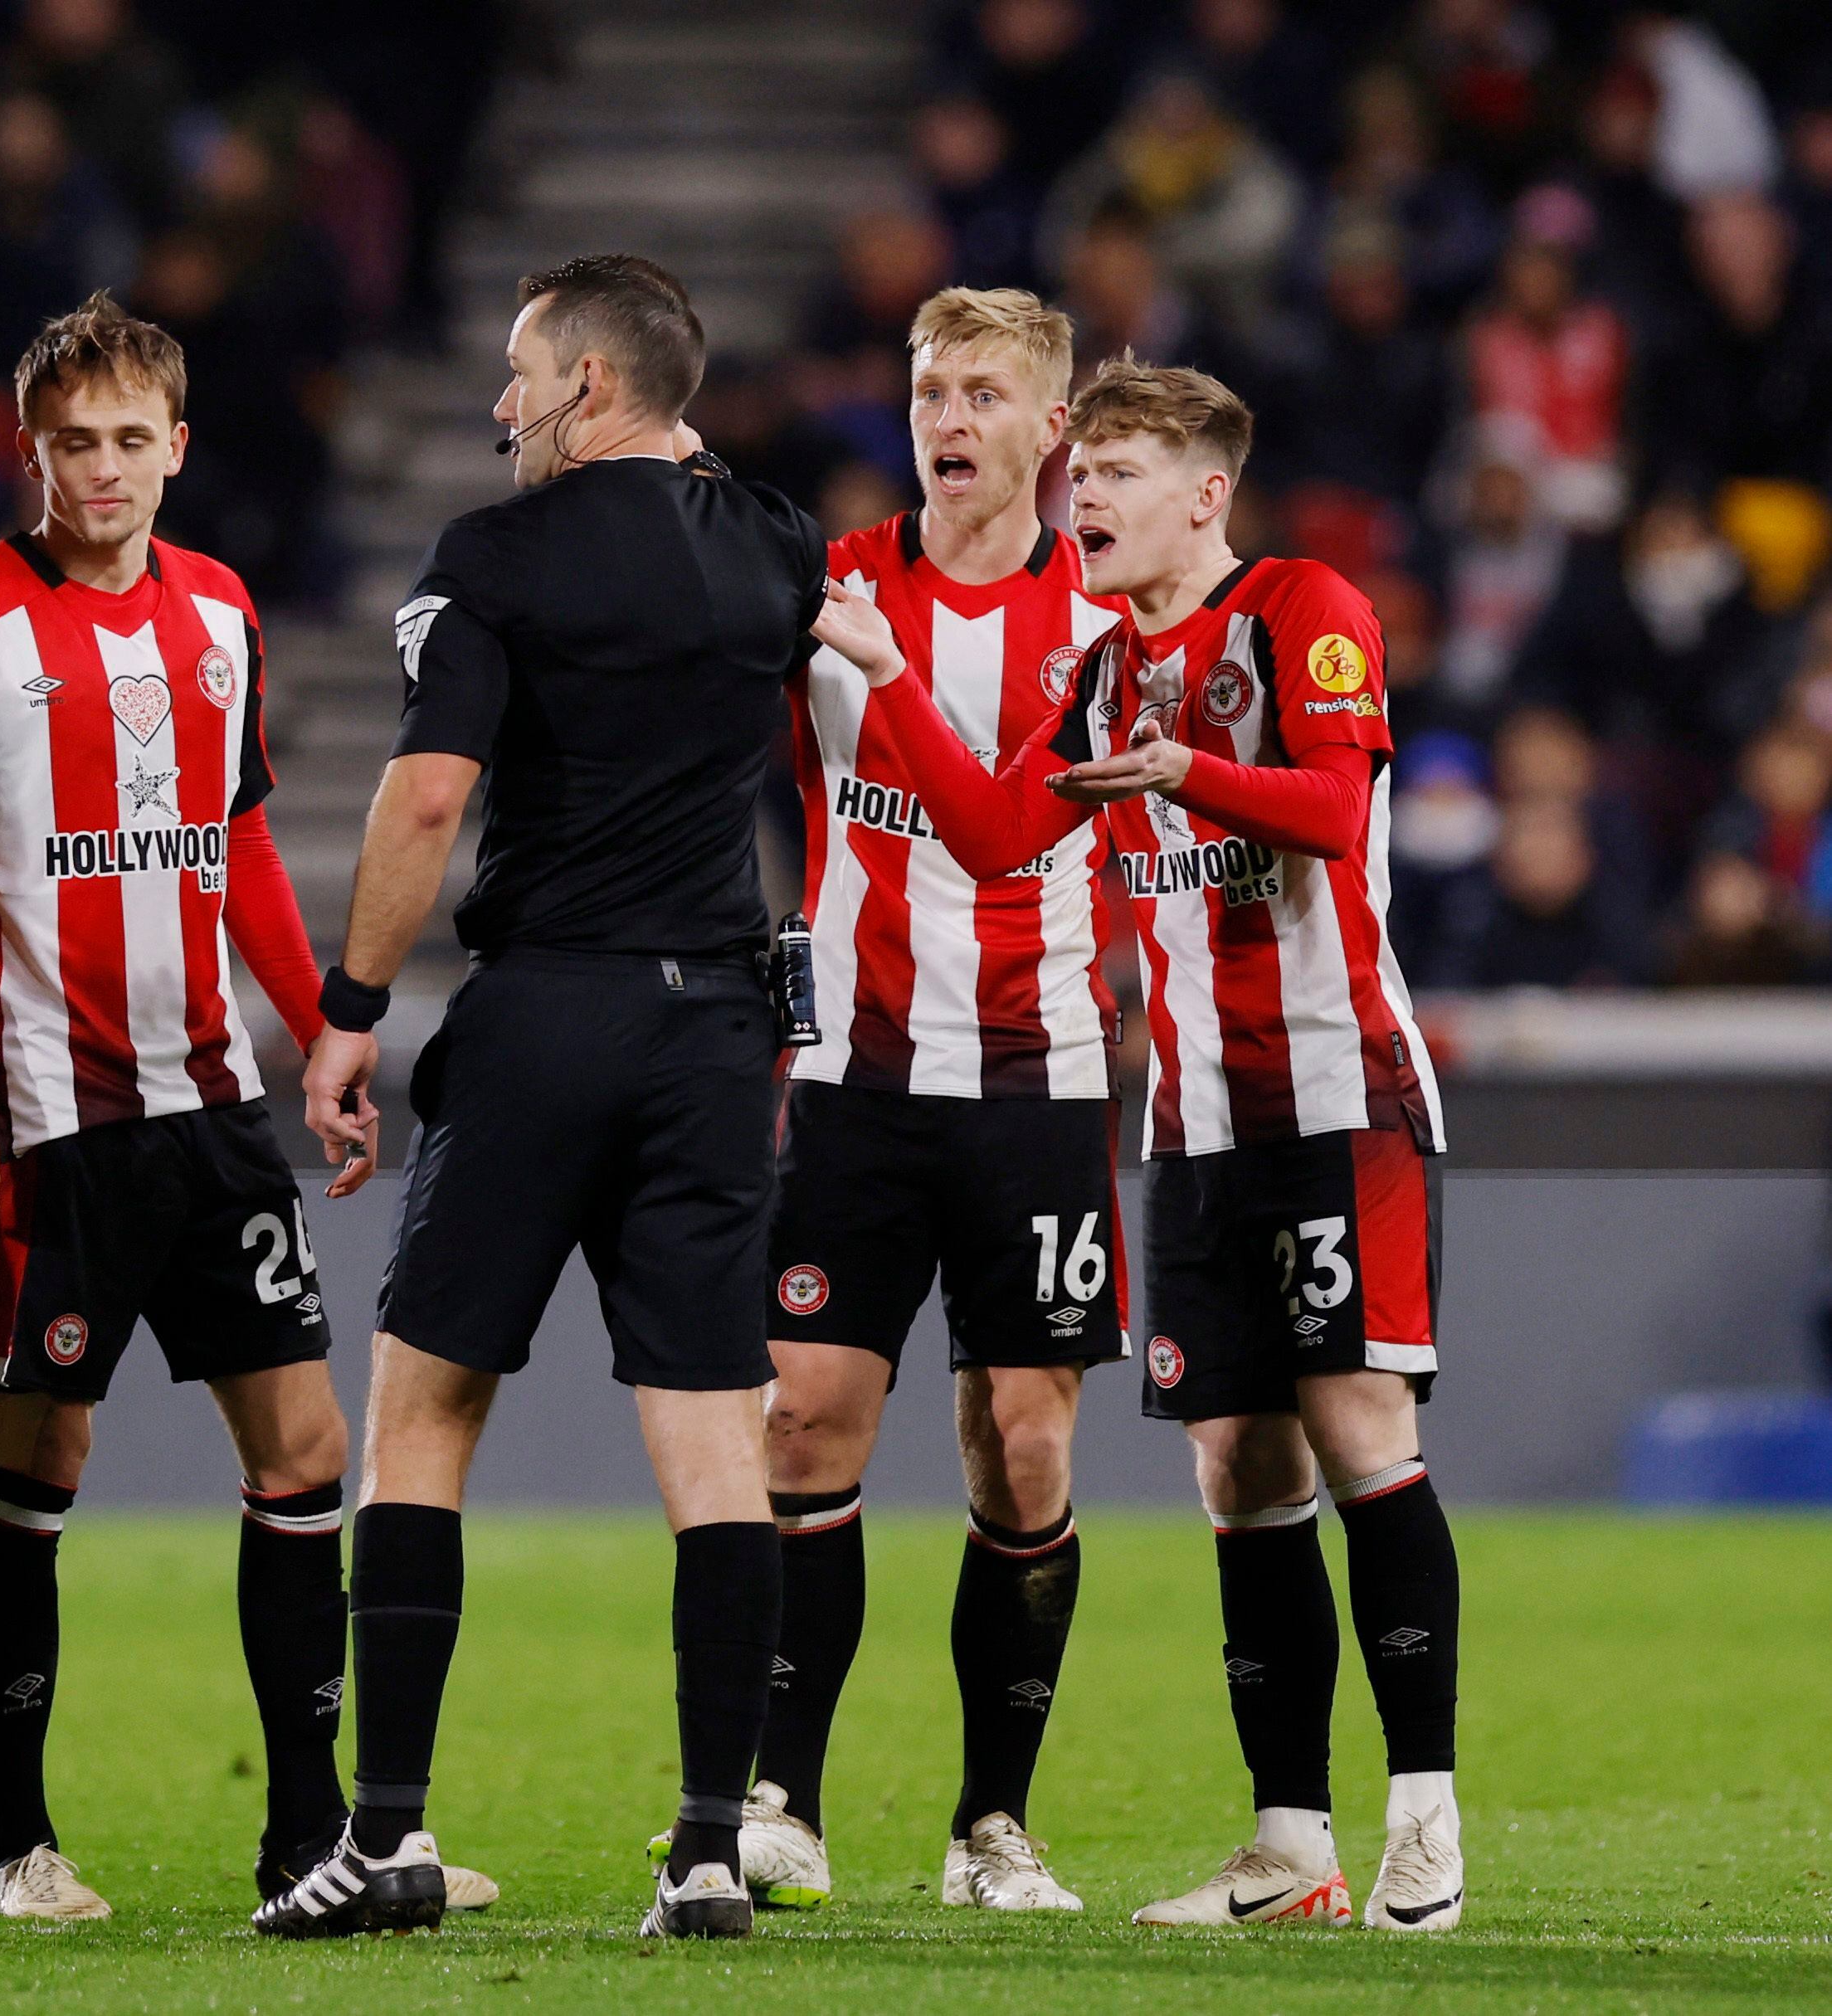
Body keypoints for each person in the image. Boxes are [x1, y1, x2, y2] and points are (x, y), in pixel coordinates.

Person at [0, 293, 493, 1925]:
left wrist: (322, 1037)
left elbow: (245, 841)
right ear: (32, 453)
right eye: (74, 444)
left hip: (213, 1113)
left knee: (305, 1446)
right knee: (39, 1454)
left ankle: (308, 1845)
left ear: (179, 447)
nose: (104, 471)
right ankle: (21, 1847)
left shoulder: (219, 614)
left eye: (133, 440)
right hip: (50, 1123)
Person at [814, 355, 1464, 1934]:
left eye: (1116, 472)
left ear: (1205, 493)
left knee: (1363, 1424)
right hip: (1190, 1121)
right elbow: (982, 834)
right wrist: (889, 673)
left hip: (1331, 1092)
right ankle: (1291, 1843)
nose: (1082, 495)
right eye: (1079, 469)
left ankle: (1427, 1822)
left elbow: (1324, 805)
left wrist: (1185, 769)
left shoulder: (1306, 606)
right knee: (1238, 1466)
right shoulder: (1105, 675)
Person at [261, 255, 827, 1942]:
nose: (500, 406)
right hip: (717, 1025)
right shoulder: (779, 549)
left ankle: (383, 1841)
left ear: (588, 383)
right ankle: (714, 1846)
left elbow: (430, 800)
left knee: (424, 1414)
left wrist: (348, 1009)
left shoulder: (492, 561)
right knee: (718, 1441)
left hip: (549, 1014)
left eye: (521, 376)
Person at [719, 286, 1127, 1919]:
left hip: (1034, 1077)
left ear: (1050, 431)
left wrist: (883, 679)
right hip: (855, 1079)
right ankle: (779, 1799)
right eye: (927, 389)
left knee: (1021, 1447)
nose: (947, 419)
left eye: (981, 393)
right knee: (804, 1414)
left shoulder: (1101, 627)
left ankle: (990, 1827)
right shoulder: (824, 591)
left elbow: (1012, 833)